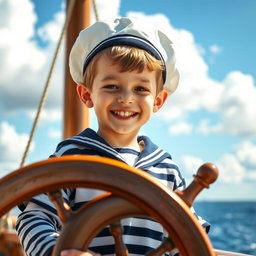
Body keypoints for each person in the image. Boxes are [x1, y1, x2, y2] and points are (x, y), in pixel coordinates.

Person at [16, 17, 209, 256]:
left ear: (158, 101)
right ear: (87, 95)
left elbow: (188, 233)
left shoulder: (167, 169)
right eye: (112, 86)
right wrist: (56, 251)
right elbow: (34, 217)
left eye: (141, 89)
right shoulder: (71, 158)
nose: (126, 98)